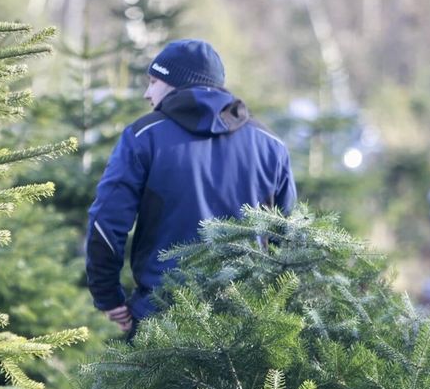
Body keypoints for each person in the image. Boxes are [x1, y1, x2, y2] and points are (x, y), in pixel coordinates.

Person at [85, 39, 297, 335]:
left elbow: (106, 222)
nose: (147, 93)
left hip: (159, 322)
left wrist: (107, 296)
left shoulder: (143, 136)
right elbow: (288, 238)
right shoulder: (271, 145)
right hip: (247, 327)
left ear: (176, 84)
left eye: (154, 81)